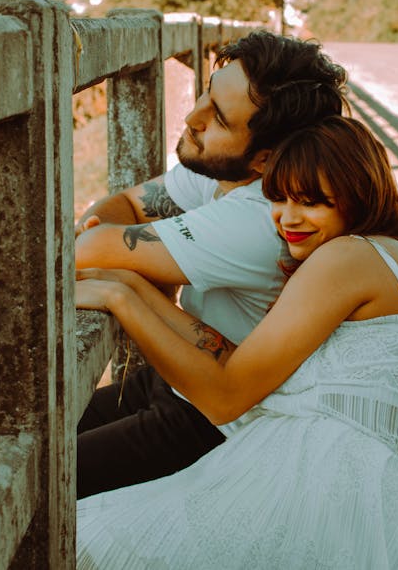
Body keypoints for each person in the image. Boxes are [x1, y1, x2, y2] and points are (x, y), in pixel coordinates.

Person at [75, 116, 398, 569]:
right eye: (279, 197)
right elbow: (234, 360)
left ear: (358, 194)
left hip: (311, 489)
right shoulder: (389, 255)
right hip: (352, 492)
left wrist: (117, 298)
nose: (288, 218)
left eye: (312, 202)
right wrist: (133, 287)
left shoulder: (347, 257)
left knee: (82, 536)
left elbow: (225, 397)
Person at [74, 30, 350, 498]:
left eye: (218, 117)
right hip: (173, 378)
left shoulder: (261, 218)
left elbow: (86, 251)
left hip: (215, 422)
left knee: (45, 481)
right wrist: (109, 236)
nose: (192, 117)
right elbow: (124, 206)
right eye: (207, 91)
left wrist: (106, 242)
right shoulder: (221, 166)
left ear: (265, 157)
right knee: (38, 429)